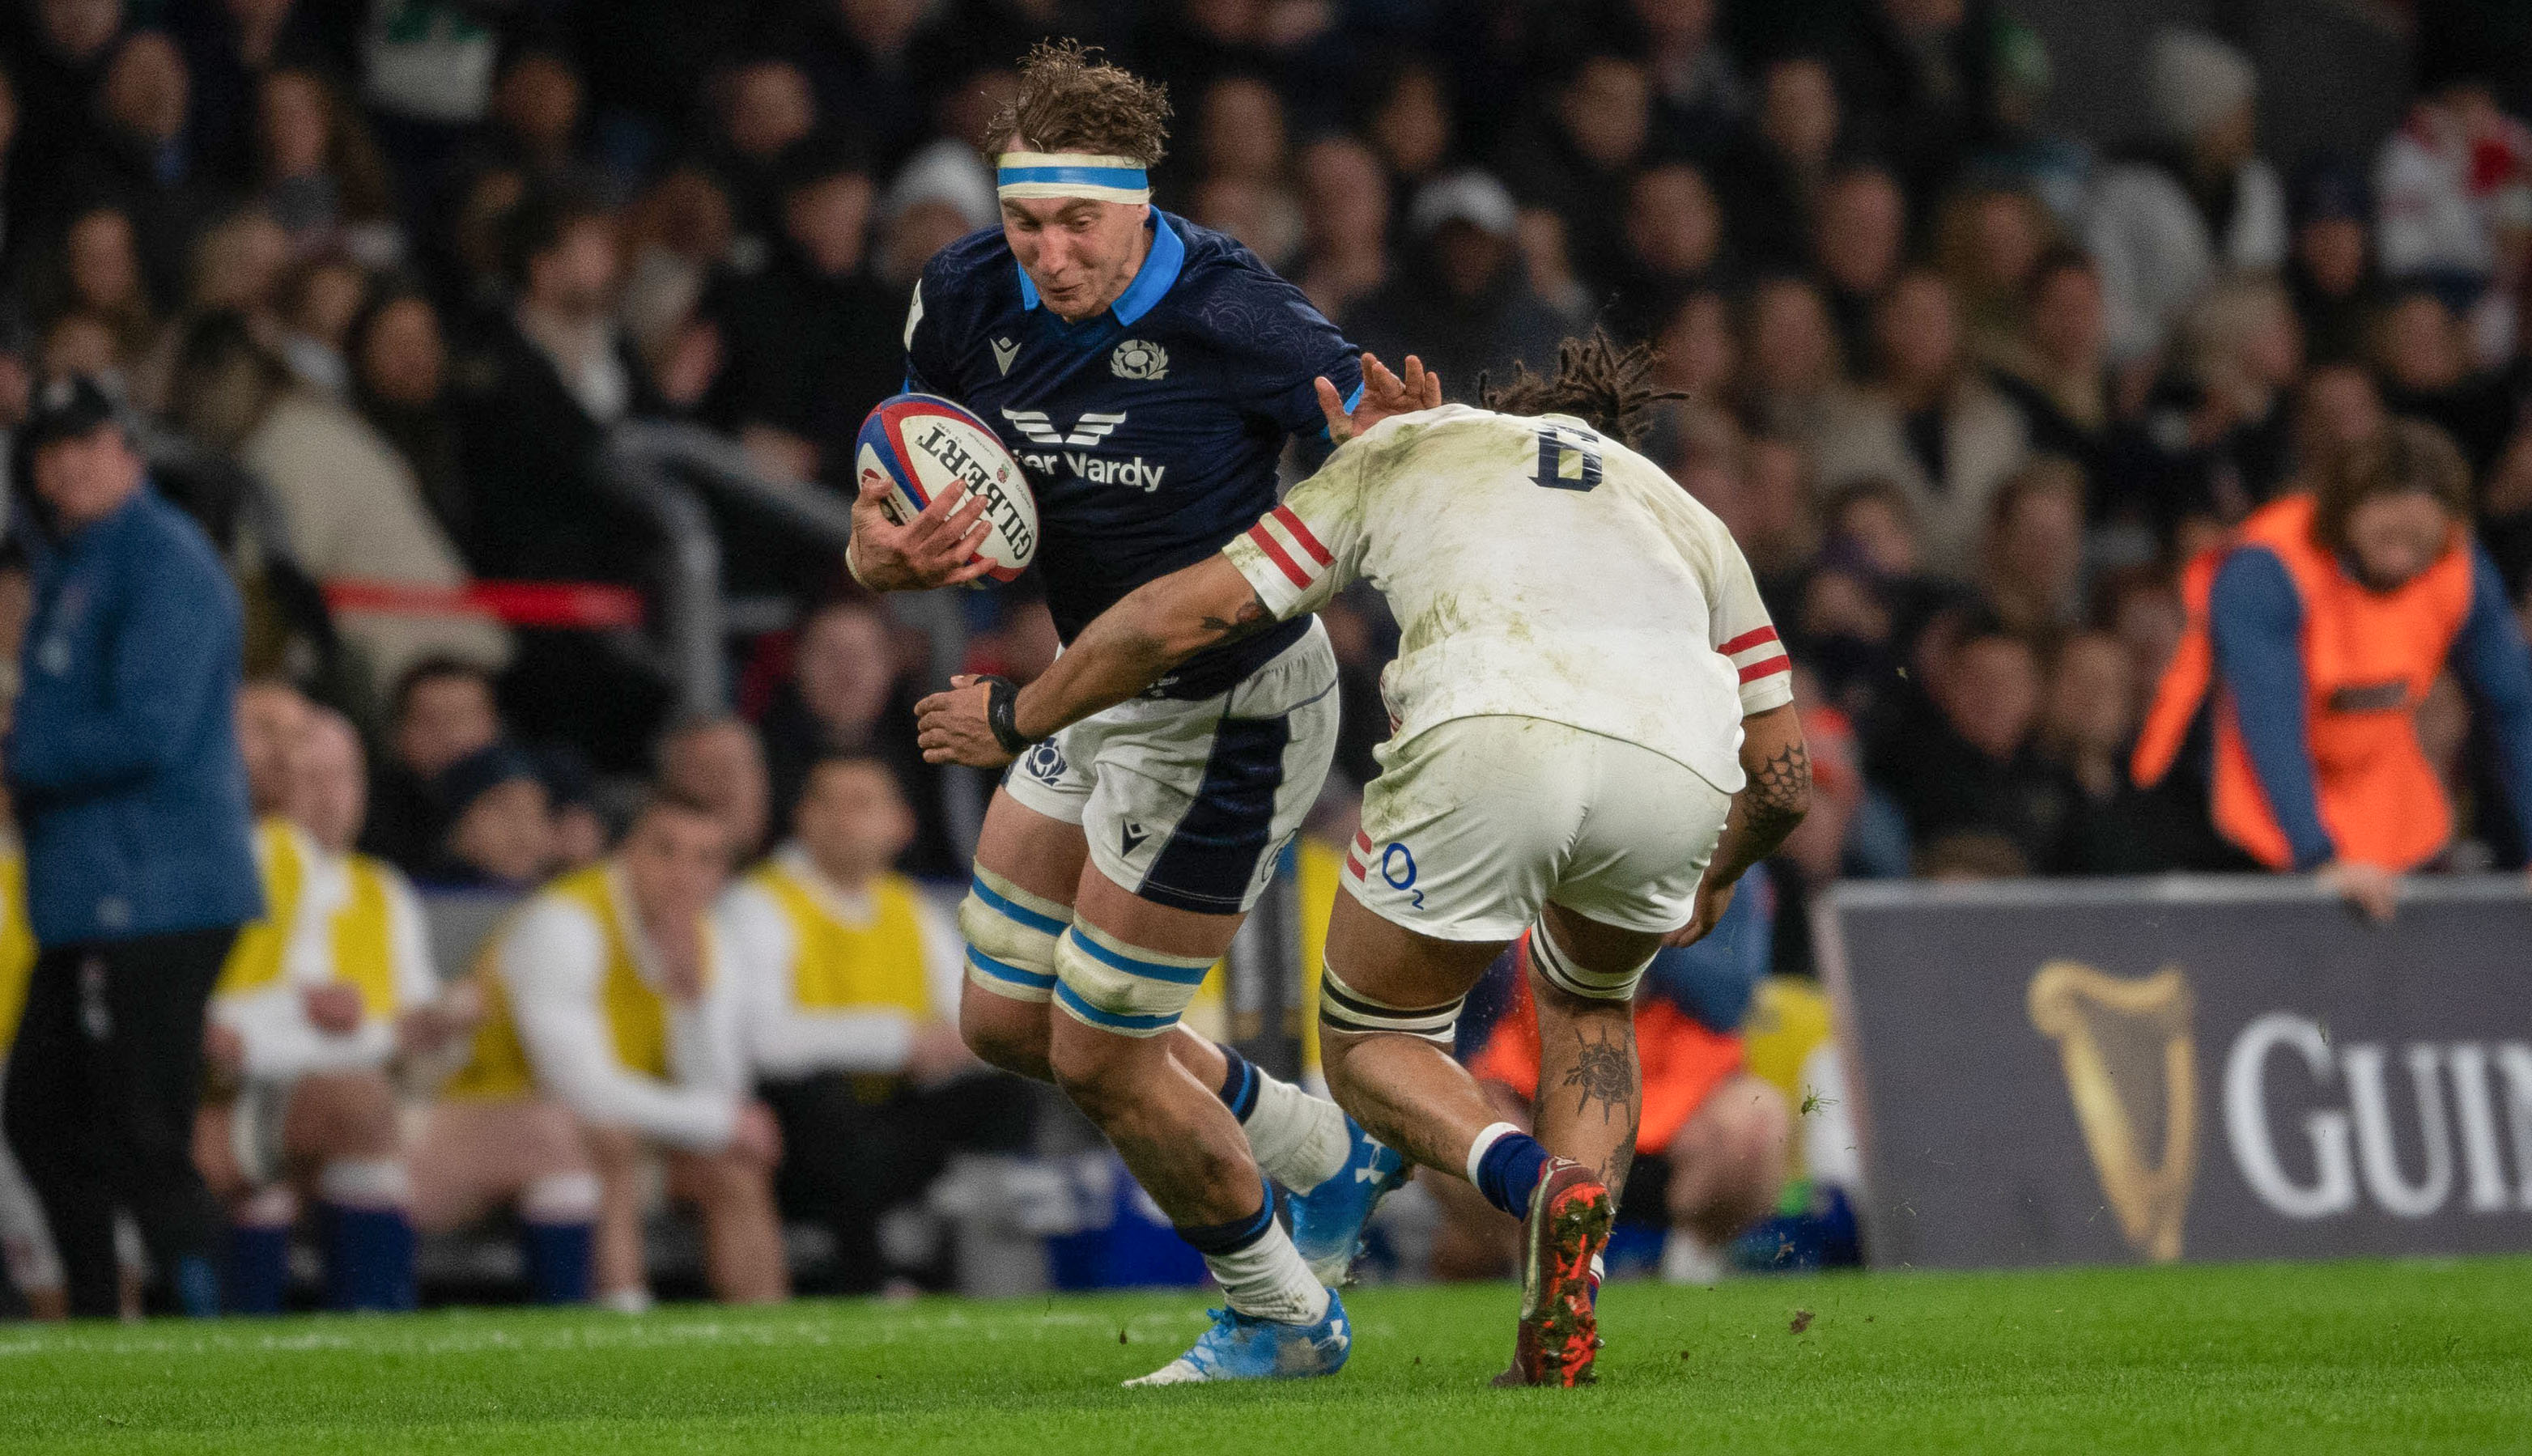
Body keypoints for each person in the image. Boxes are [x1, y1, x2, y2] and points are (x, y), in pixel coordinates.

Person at [916, 336, 1809, 1386]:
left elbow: (1188, 611)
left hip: (1495, 731)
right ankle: (1562, 1316)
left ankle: (1533, 1178)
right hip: (1675, 770)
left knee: (1375, 1040)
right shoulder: (1684, 517)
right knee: (1591, 1008)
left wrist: (1023, 711)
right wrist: (1720, 871)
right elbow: (1786, 778)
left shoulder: (1425, 450)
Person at [852, 42, 1388, 1385]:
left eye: (1074, 220)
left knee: (1102, 1049)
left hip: (1234, 710)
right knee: (1001, 1022)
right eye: (1023, 218)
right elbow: (875, 530)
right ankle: (1324, 1148)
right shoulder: (966, 295)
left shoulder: (1234, 311)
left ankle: (1278, 1314)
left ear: (1139, 205)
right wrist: (889, 555)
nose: (1044, 248)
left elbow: (1383, 469)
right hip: (1092, 693)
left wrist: (1404, 443)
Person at [1, 376, 262, 1318]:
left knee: (141, 1130)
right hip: (96, 896)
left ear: (128, 450)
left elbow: (148, 726)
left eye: (85, 443)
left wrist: (15, 752)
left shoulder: (163, 563)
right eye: (45, 450)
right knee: (41, 1114)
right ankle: (101, 1314)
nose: (63, 464)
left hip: (153, 889)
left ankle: (203, 1337)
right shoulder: (79, 558)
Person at [2134, 419, 2532, 919]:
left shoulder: (2460, 566)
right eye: (2388, 533)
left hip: (2376, 789)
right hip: (2243, 799)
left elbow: (2514, 705)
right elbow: (2271, 719)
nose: (2402, 556)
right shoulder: (2265, 568)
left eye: (2420, 539)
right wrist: (2320, 859)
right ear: (2346, 512)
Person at [436, 792, 784, 1310]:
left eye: (705, 859)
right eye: (665, 851)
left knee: (733, 1168)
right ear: (626, 853)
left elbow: (720, 1093)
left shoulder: (708, 939)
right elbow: (581, 1089)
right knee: (609, 1136)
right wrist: (723, 1122)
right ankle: (626, 1320)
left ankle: (771, 1336)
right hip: (494, 1118)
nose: (683, 873)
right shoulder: (565, 922)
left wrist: (691, 1000)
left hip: (615, 1129)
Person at [198, 707, 475, 1313]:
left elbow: (403, 1021)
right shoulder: (247, 861)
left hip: (361, 1101)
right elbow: (276, 1026)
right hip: (229, 1094)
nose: (329, 797)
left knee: (375, 1106)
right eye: (312, 777)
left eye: (345, 777)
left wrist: (441, 1029)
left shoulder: (382, 887)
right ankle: (356, 1330)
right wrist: (380, 1034)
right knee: (355, 1103)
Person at [719, 755, 1024, 1293]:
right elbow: (763, 1040)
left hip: (890, 1116)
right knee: (824, 1104)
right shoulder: (757, 903)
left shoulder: (913, 909)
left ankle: (995, 1271)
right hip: (796, 1134)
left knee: (1004, 1094)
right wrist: (901, 1040)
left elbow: (969, 1021)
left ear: (900, 824)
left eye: (862, 803)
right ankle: (871, 1280)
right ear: (801, 818)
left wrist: (950, 1045)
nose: (842, 817)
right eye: (826, 802)